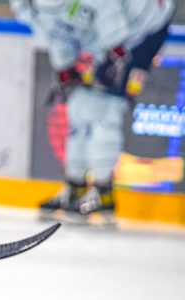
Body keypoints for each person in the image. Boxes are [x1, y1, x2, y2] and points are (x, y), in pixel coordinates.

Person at [11, 0, 174, 225]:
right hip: (106, 35)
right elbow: (56, 33)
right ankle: (76, 187)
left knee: (104, 108)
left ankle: (103, 192)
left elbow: (107, 8)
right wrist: (65, 67)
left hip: (143, 28)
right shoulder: (29, 7)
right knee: (79, 105)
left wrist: (115, 51)